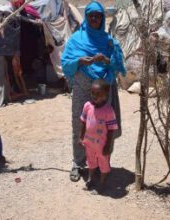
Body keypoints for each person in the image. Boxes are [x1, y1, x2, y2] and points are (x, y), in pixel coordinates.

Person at [61, 1, 126, 182]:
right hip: (82, 86)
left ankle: (102, 161)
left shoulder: (108, 40)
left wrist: (106, 60)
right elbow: (66, 63)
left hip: (104, 85)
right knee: (80, 123)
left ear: (103, 17)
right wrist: (82, 60)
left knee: (105, 124)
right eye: (91, 15)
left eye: (98, 15)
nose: (94, 19)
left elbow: (119, 64)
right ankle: (78, 162)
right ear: (87, 17)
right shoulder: (76, 39)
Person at [80, 79, 118, 194]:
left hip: (101, 145)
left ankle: (101, 184)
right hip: (89, 143)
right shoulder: (87, 106)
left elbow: (111, 130)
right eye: (92, 93)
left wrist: (108, 145)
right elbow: (83, 122)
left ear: (105, 95)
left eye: (98, 94)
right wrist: (81, 137)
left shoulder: (108, 110)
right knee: (91, 161)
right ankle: (90, 179)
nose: (94, 96)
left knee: (103, 164)